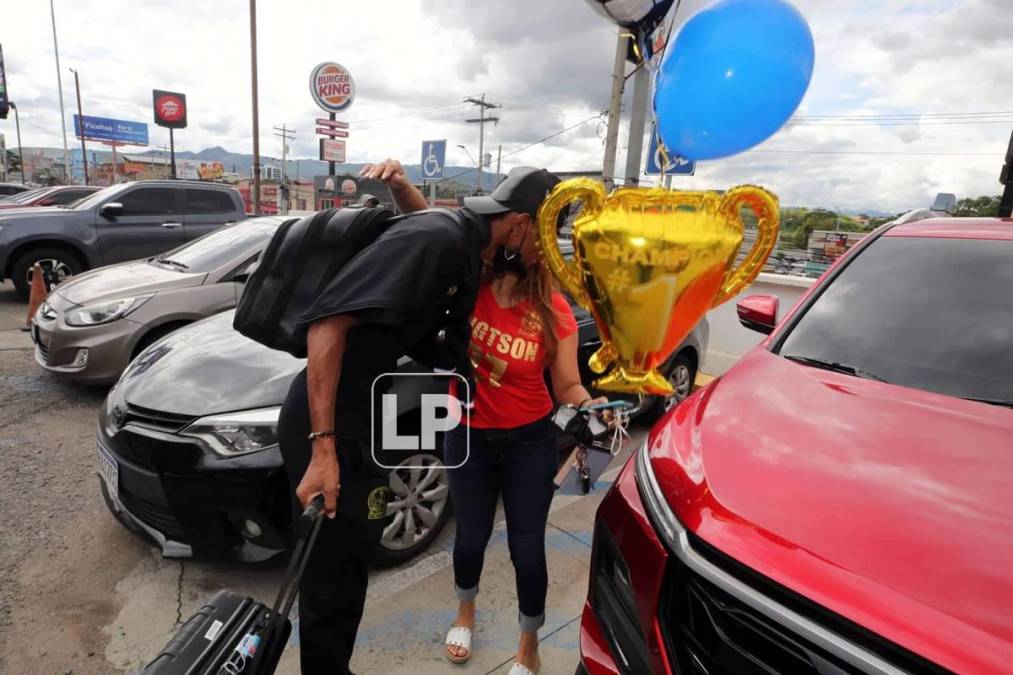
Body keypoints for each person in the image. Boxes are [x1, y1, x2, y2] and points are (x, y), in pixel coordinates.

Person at [277, 159, 562, 675]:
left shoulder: (468, 247)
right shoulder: (444, 239)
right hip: (326, 421)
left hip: (363, 418)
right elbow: (325, 326)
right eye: (545, 235)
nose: (545, 250)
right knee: (327, 579)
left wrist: (405, 191)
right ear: (520, 222)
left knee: (352, 564)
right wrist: (323, 449)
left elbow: (429, 234)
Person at [441, 203, 606, 674]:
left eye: (534, 236)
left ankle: (528, 644)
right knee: (469, 539)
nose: (523, 240)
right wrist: (401, 187)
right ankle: (464, 612)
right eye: (519, 231)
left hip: (528, 444)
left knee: (527, 551)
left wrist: (590, 408)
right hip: (465, 433)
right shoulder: (471, 283)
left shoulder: (554, 312)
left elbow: (568, 385)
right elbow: (432, 232)